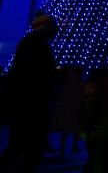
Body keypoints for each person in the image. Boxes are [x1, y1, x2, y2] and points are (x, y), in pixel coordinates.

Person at [0, 13, 59, 172]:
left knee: (19, 144)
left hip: (26, 100)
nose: (55, 32)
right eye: (53, 29)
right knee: (26, 144)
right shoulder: (37, 45)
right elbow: (39, 72)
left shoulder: (30, 43)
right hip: (32, 102)